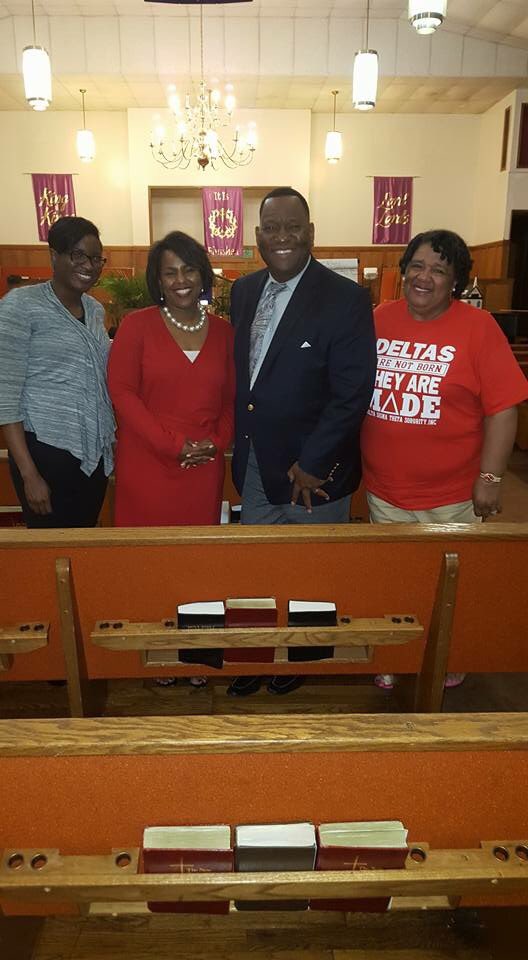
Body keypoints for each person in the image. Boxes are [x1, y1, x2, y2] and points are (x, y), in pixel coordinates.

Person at [361, 228, 528, 690]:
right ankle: (396, 655)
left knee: (449, 585)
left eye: (439, 270)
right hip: (385, 490)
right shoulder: (378, 319)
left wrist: (490, 478)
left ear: (456, 280)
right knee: (394, 580)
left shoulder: (479, 328)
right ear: (403, 272)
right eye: (417, 266)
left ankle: (449, 654)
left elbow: (503, 409)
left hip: (452, 496)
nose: (424, 277)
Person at [228, 187, 376, 696]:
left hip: (312, 473)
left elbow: (352, 392)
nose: (282, 237)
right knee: (256, 569)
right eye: (272, 228)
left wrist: (314, 461)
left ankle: (301, 656)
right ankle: (254, 653)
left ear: (310, 233)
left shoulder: (345, 298)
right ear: (258, 236)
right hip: (255, 464)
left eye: (293, 227)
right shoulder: (244, 291)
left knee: (311, 570)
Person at [107, 230, 235, 526]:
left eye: (189, 270)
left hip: (203, 465)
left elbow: (231, 400)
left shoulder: (225, 333)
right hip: (147, 462)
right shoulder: (135, 326)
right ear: (158, 280)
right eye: (170, 272)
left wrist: (216, 442)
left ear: (203, 274)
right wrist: (172, 445)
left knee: (196, 551)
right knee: (146, 551)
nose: (181, 280)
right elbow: (122, 394)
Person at [0, 216, 114, 528]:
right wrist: (29, 474)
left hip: (92, 454)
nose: (88, 265)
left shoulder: (95, 310)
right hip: (43, 454)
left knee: (85, 542)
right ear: (54, 255)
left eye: (96, 258)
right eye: (78, 255)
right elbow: (6, 397)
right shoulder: (20, 306)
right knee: (51, 548)